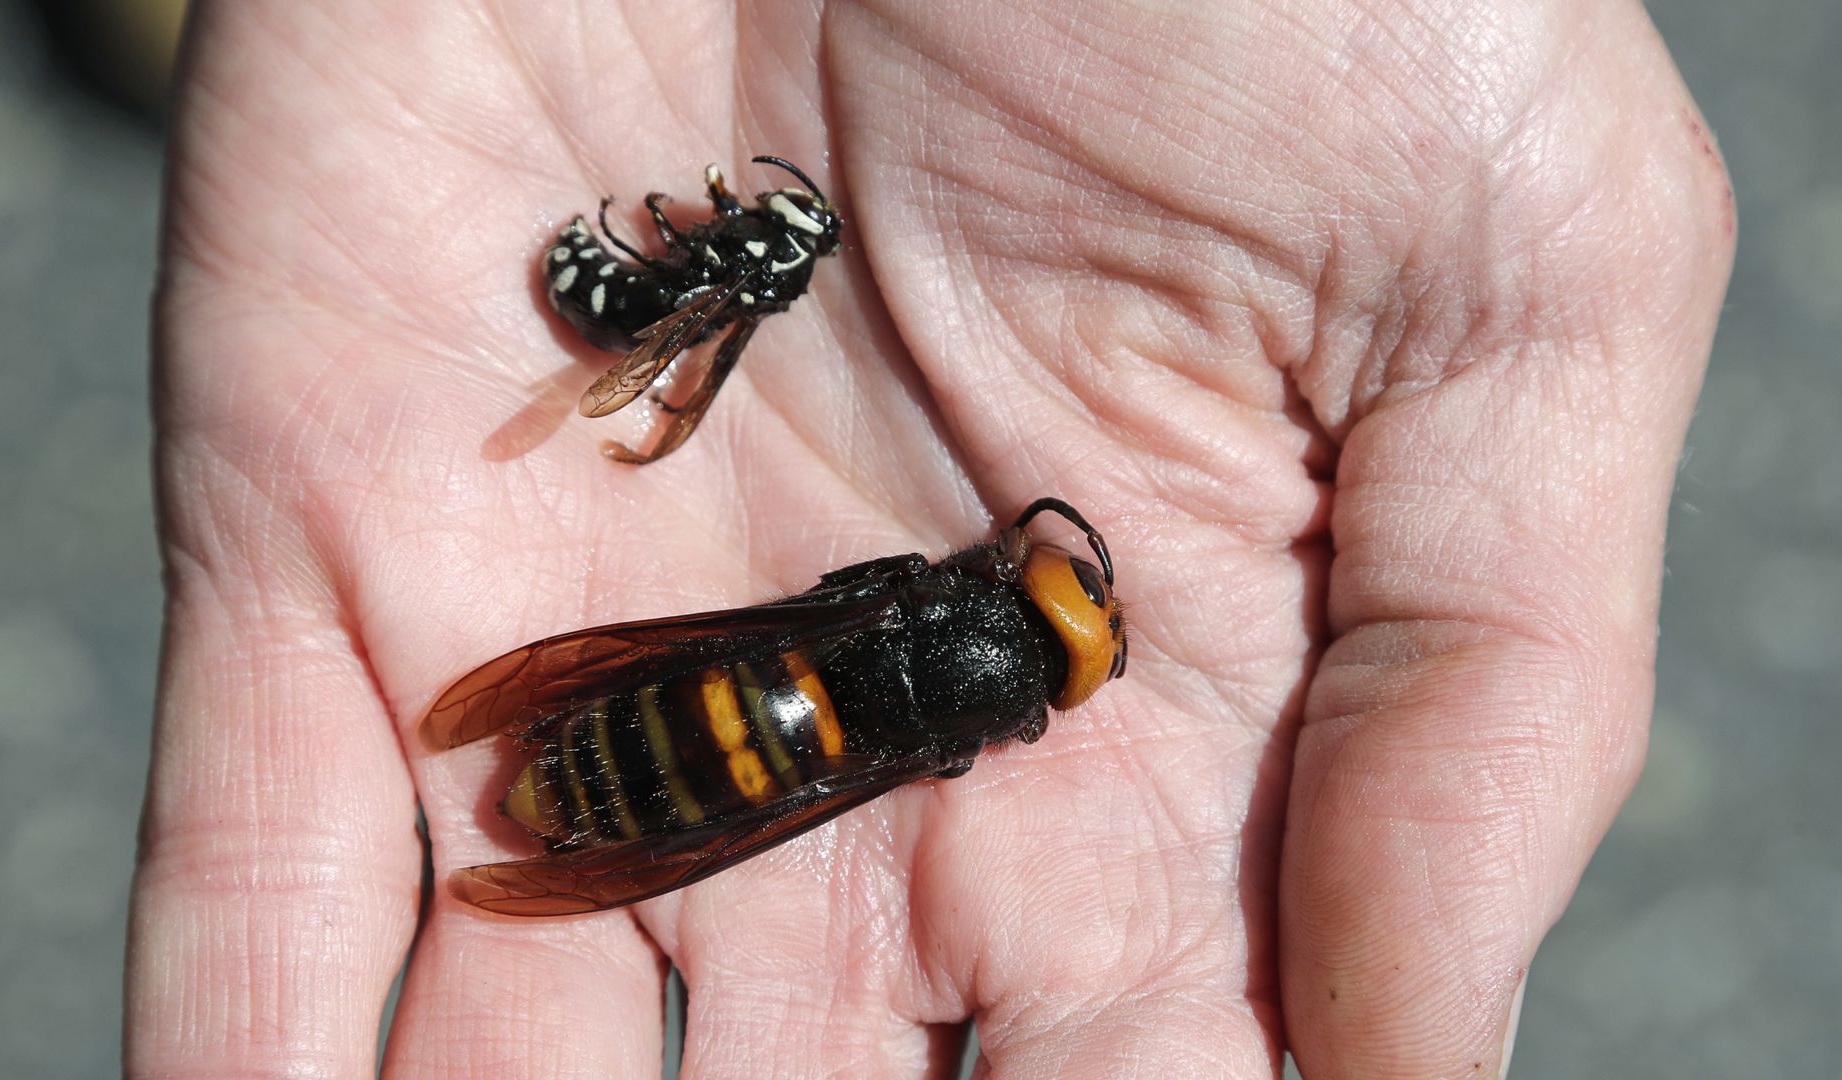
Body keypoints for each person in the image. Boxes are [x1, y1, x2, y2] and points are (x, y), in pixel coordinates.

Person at [124, 2, 1734, 1076]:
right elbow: (872, 699)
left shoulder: (920, 607)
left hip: (701, 689)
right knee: (756, 764)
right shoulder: (960, 729)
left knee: (738, 690)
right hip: (741, 753)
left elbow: (820, 617)